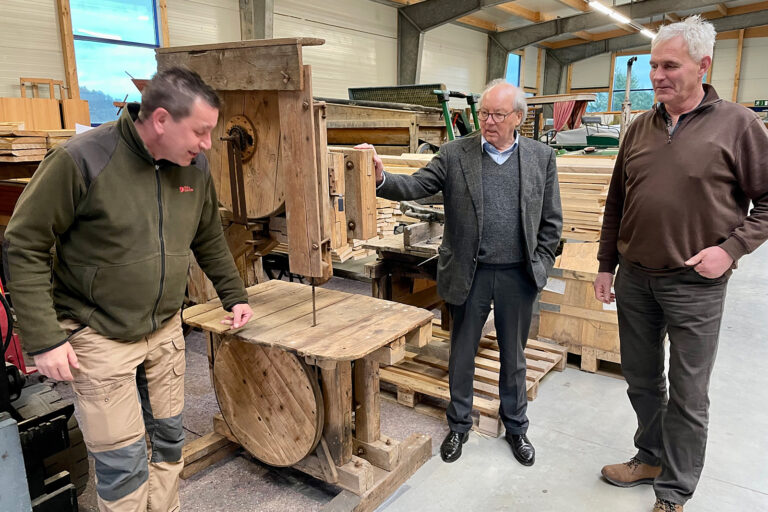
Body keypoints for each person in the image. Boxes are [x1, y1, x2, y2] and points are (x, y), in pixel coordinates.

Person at [5, 67, 254, 512]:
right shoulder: (81, 159)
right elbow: (24, 244)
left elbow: (208, 235)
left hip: (163, 330)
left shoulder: (193, 166)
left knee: (169, 444)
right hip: (98, 333)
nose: (207, 144)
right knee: (122, 463)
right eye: (200, 131)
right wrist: (45, 338)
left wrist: (234, 294)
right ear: (161, 120)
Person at [594, 16, 768, 512]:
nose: (658, 75)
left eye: (670, 65)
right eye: (653, 65)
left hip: (695, 284)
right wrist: (607, 265)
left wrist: (729, 250)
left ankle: (674, 492)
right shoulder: (639, 128)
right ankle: (650, 457)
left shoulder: (739, 125)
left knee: (690, 395)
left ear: (703, 65)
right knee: (642, 380)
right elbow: (615, 203)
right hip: (635, 279)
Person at [357, 79, 562, 466]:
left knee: (514, 357)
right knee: (462, 352)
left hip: (518, 275)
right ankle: (459, 425)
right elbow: (416, 185)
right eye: (483, 113)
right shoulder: (455, 154)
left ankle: (516, 427)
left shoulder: (540, 158)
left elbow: (551, 221)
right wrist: (381, 177)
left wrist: (542, 264)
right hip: (471, 273)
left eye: (498, 114)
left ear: (518, 117)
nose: (488, 121)